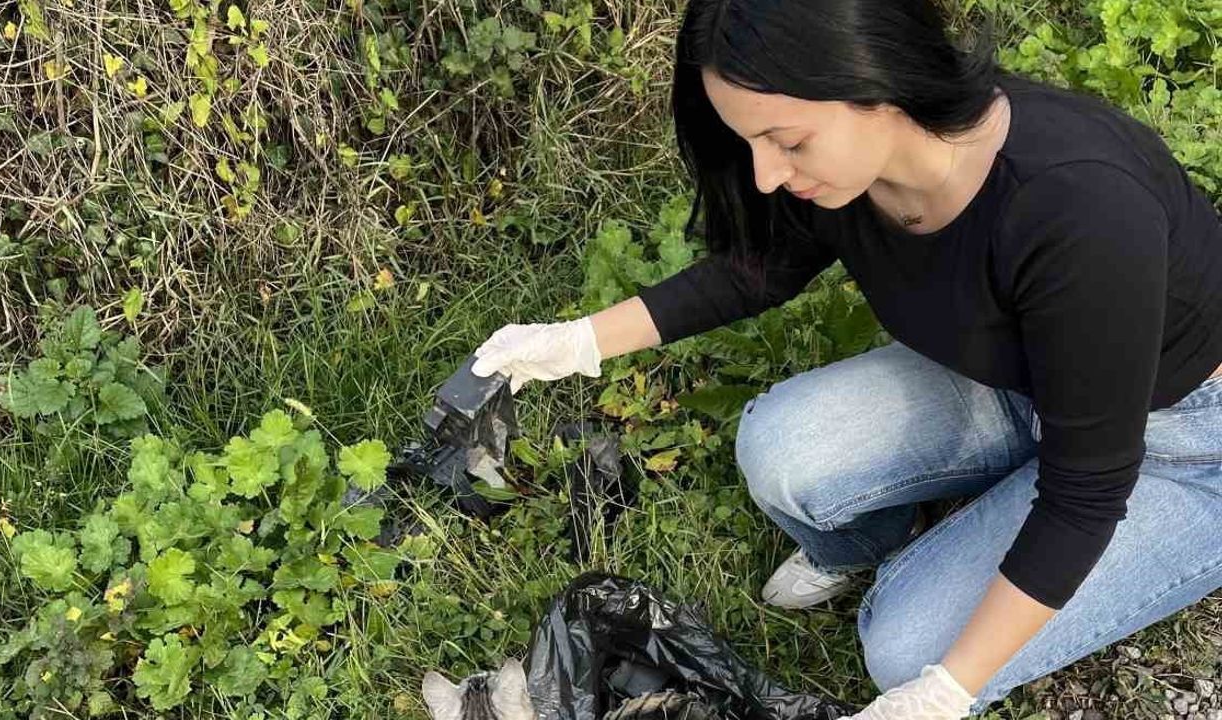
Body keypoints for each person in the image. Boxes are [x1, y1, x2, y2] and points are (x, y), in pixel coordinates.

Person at [469, 0, 1222, 717]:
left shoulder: (1076, 210)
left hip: (1185, 445)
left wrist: (947, 691)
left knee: (905, 651)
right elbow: (754, 269)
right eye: (750, 144)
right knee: (782, 449)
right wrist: (578, 341)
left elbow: (1086, 491)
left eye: (787, 142)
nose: (765, 174)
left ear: (872, 83)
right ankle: (899, 535)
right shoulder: (848, 175)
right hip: (1021, 380)